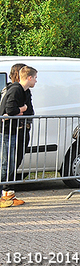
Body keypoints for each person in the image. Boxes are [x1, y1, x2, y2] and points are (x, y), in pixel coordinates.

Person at [1, 66, 37, 208]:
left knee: (14, 161)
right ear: (29, 77)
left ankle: (8, 193)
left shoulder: (25, 91)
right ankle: (4, 194)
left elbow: (30, 111)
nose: (36, 80)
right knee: (7, 162)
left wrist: (21, 112)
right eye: (35, 77)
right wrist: (21, 109)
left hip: (17, 130)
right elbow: (10, 110)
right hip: (8, 131)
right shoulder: (16, 90)